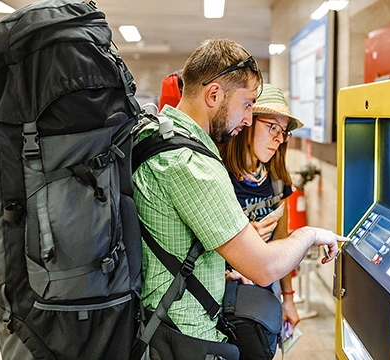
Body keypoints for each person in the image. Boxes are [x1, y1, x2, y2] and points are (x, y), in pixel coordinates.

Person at [133, 38, 345, 344]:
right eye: (246, 105)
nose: (247, 119)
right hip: (186, 337)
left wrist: (226, 266)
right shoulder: (191, 164)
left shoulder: (159, 133)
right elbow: (265, 267)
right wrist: (309, 234)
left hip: (167, 327)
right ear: (214, 94)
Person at [218, 84, 304, 331]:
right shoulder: (219, 176)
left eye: (284, 132)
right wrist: (244, 240)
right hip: (223, 297)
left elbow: (282, 242)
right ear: (248, 122)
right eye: (272, 127)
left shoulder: (277, 180)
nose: (279, 138)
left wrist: (288, 298)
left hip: (264, 297)